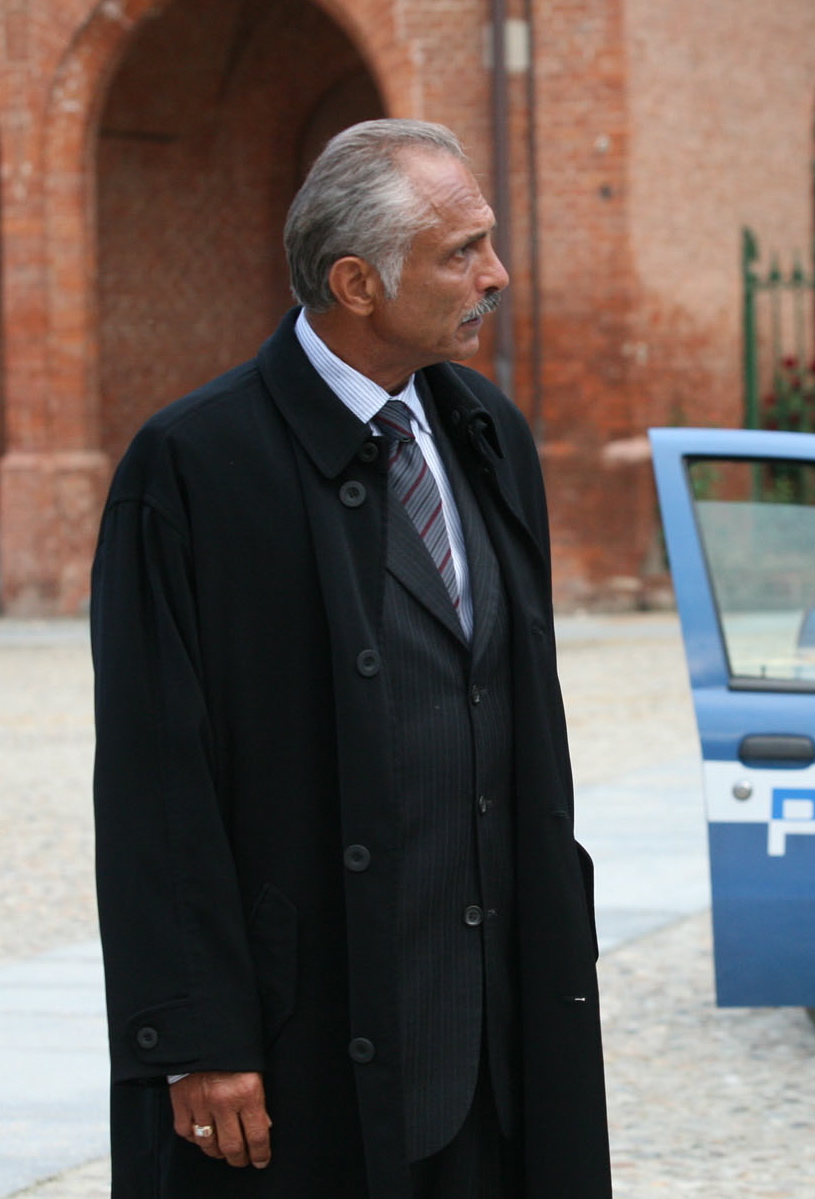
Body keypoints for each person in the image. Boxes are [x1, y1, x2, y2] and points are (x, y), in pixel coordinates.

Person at [91, 119, 611, 1198]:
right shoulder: (191, 466)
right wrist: (196, 1034)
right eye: (460, 251)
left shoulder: (488, 432)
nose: (496, 274)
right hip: (301, 1035)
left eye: (490, 242)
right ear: (356, 282)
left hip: (494, 1043)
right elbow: (153, 775)